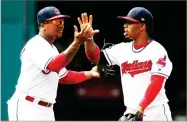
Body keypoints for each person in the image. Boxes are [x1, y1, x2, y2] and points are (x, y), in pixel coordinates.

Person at [79, 7, 173, 121]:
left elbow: (157, 82)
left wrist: (141, 106)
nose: (125, 25)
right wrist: (89, 39)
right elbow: (95, 58)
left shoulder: (157, 50)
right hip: (132, 110)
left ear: (142, 26)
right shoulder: (123, 49)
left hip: (155, 111)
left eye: (130, 22)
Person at [7, 6, 100, 121]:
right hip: (27, 107)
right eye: (56, 21)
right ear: (43, 25)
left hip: (46, 110)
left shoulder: (52, 49)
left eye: (62, 21)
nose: (60, 24)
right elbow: (54, 65)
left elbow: (64, 77)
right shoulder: (35, 44)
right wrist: (77, 43)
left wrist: (90, 73)